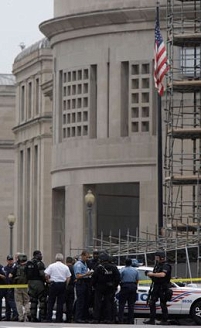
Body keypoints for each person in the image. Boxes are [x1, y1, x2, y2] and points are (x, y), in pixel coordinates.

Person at [91, 252, 120, 324]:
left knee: (97, 303)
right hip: (110, 287)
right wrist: (114, 286)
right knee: (109, 303)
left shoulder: (98, 267)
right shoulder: (113, 267)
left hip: (99, 287)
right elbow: (118, 278)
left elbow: (94, 278)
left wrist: (94, 286)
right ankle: (109, 319)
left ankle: (96, 319)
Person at [143, 251, 172, 325]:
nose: (156, 258)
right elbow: (156, 276)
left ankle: (164, 320)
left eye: (157, 257)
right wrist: (149, 275)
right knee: (152, 302)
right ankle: (152, 319)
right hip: (156, 286)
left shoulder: (166, 265)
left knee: (163, 304)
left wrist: (152, 274)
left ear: (161, 257)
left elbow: (162, 275)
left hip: (163, 287)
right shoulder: (157, 265)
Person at [44, 253, 71, 323]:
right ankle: (59, 318)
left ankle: (49, 318)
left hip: (53, 284)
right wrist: (66, 284)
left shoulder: (52, 266)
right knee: (60, 303)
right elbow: (68, 277)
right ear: (62, 259)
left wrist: (48, 280)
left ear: (55, 258)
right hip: (62, 284)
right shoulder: (65, 267)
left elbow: (46, 274)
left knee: (51, 302)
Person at [25, 250, 47, 322]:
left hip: (30, 283)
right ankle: (42, 317)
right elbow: (42, 274)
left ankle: (33, 317)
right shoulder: (39, 263)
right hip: (39, 283)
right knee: (42, 300)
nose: (41, 256)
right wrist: (46, 280)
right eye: (40, 254)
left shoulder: (28, 263)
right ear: (37, 255)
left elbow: (25, 273)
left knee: (33, 301)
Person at [73, 250, 93, 323]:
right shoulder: (79, 264)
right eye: (86, 257)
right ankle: (78, 317)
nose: (87, 259)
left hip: (85, 282)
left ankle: (84, 317)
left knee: (85, 301)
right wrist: (86, 274)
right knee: (80, 301)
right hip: (81, 283)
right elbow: (78, 276)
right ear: (82, 256)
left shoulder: (85, 263)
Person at [10, 253, 30, 322]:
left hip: (17, 286)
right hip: (26, 286)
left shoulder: (16, 266)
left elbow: (10, 275)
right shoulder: (28, 266)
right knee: (26, 301)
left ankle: (21, 317)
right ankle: (27, 312)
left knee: (19, 302)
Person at [118, 258, 139, 324]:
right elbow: (137, 280)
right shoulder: (136, 270)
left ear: (125, 263)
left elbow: (119, 278)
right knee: (131, 305)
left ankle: (120, 320)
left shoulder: (122, 270)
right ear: (131, 263)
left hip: (125, 287)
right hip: (133, 287)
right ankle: (130, 320)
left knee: (121, 304)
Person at [3, 255, 18, 321]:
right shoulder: (5, 268)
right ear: (7, 260)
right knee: (7, 302)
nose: (10, 261)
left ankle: (15, 314)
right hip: (6, 286)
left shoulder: (14, 267)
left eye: (11, 260)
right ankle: (7, 316)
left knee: (11, 301)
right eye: (9, 260)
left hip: (12, 286)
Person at [65, 256, 76, 323]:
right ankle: (70, 317)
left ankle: (65, 317)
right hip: (71, 286)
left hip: (65, 287)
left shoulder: (65, 268)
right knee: (70, 303)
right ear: (72, 261)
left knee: (64, 303)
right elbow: (75, 278)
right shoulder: (73, 268)